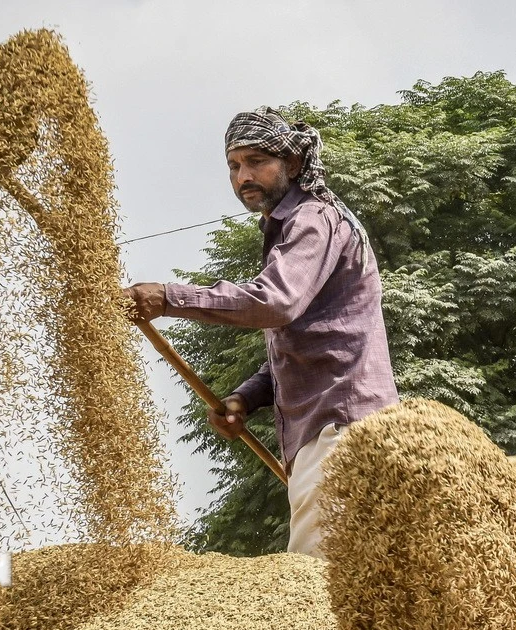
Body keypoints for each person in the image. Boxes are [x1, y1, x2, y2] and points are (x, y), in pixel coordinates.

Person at [124, 107, 399, 559]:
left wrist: (168, 297)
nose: (243, 176)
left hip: (343, 431)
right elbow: (311, 337)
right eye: (234, 166)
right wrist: (246, 398)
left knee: (314, 589)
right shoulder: (292, 226)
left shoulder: (313, 218)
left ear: (291, 164)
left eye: (256, 161)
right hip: (332, 432)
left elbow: (275, 302)